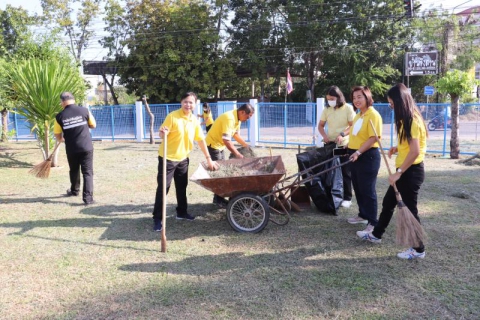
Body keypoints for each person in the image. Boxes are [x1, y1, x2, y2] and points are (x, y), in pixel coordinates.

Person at [357, 83, 428, 260]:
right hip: (405, 169)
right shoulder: (407, 119)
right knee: (388, 202)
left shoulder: (411, 120)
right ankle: (376, 235)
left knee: (410, 210)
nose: (391, 106)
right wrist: (397, 148)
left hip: (410, 172)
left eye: (392, 103)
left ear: (400, 101)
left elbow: (415, 151)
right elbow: (411, 145)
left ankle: (418, 249)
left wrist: (399, 172)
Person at [152, 92, 216, 232]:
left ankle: (182, 212)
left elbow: (200, 140)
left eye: (191, 102)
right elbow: (162, 134)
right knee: (164, 188)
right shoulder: (172, 116)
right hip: (168, 158)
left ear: (195, 104)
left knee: (182, 187)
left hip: (183, 159)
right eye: (185, 101)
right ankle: (158, 218)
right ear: (181, 102)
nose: (188, 104)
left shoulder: (194, 120)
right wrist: (164, 133)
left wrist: (208, 158)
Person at [347, 86, 382, 234]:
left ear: (367, 97)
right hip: (354, 155)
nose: (356, 100)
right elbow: (354, 134)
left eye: (359, 97)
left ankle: (373, 222)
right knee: (358, 188)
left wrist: (359, 152)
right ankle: (363, 214)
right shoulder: (359, 115)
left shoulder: (373, 115)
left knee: (368, 190)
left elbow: (374, 137)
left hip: (367, 156)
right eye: (354, 98)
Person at [206, 103, 255, 207]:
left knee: (223, 171)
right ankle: (218, 200)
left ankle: (219, 198)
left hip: (220, 145)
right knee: (220, 172)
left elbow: (235, 134)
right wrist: (237, 154)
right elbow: (227, 141)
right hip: (213, 144)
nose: (248, 119)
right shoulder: (229, 118)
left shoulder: (238, 119)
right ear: (242, 112)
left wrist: (246, 146)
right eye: (248, 116)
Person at [54, 92, 96, 205]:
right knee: (87, 172)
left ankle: (74, 191)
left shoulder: (59, 116)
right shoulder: (84, 111)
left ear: (62, 102)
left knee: (74, 170)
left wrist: (62, 140)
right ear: (74, 100)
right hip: (86, 147)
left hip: (71, 148)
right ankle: (88, 199)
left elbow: (57, 135)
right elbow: (93, 125)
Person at [317, 85, 356, 208]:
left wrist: (342, 134)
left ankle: (347, 198)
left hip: (343, 145)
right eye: (328, 99)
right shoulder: (327, 110)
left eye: (332, 98)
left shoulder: (348, 108)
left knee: (345, 170)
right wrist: (325, 136)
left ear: (339, 97)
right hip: (329, 144)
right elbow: (320, 126)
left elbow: (353, 126)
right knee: (329, 169)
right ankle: (330, 194)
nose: (330, 101)